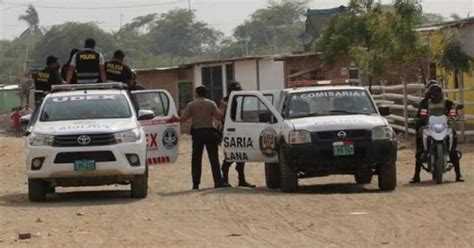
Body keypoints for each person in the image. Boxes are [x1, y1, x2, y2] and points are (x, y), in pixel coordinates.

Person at [410, 81, 464, 183]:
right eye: (432, 94)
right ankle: (416, 175)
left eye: (437, 94)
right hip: (429, 127)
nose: (435, 96)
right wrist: (420, 120)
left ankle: (458, 174)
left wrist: (454, 116)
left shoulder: (447, 102)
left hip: (444, 127)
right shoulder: (425, 103)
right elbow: (421, 114)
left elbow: (453, 111)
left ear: (441, 93)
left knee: (453, 146)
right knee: (420, 147)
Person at [177, 86, 230, 190]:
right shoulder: (211, 104)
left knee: (196, 159)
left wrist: (174, 119)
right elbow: (219, 117)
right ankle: (218, 181)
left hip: (197, 133)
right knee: (214, 159)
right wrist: (223, 107)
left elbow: (183, 119)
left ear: (196, 93)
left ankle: (196, 184)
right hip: (210, 132)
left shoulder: (191, 105)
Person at [220, 81, 255, 187]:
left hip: (239, 130)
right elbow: (221, 117)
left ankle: (241, 180)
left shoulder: (238, 99)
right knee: (231, 155)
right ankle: (224, 179)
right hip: (229, 131)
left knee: (241, 155)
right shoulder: (225, 102)